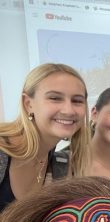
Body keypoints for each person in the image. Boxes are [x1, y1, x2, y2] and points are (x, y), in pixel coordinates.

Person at [0, 63, 90, 213]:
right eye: (55, 98)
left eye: (77, 101)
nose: (68, 110)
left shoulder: (58, 164)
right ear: (28, 104)